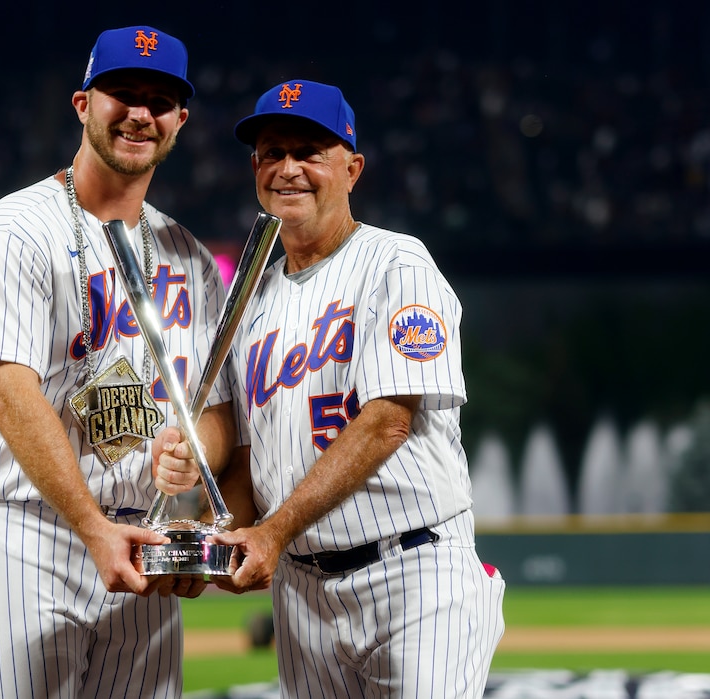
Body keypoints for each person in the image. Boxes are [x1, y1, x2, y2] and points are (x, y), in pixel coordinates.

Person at [0, 25, 235, 699]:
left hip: (141, 538)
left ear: (180, 120)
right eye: (121, 94)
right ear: (82, 105)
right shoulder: (14, 230)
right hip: (24, 534)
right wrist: (92, 525)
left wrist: (196, 450)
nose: (139, 113)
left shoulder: (189, 255)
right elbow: (10, 389)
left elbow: (215, 412)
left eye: (159, 101)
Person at [213, 79, 506, 697]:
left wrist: (272, 531)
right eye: (272, 152)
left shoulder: (397, 265)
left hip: (414, 571)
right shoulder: (250, 298)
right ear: (255, 168)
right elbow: (244, 458)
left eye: (310, 152)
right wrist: (225, 539)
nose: (288, 168)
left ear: (352, 168)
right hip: (301, 589)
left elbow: (386, 423)